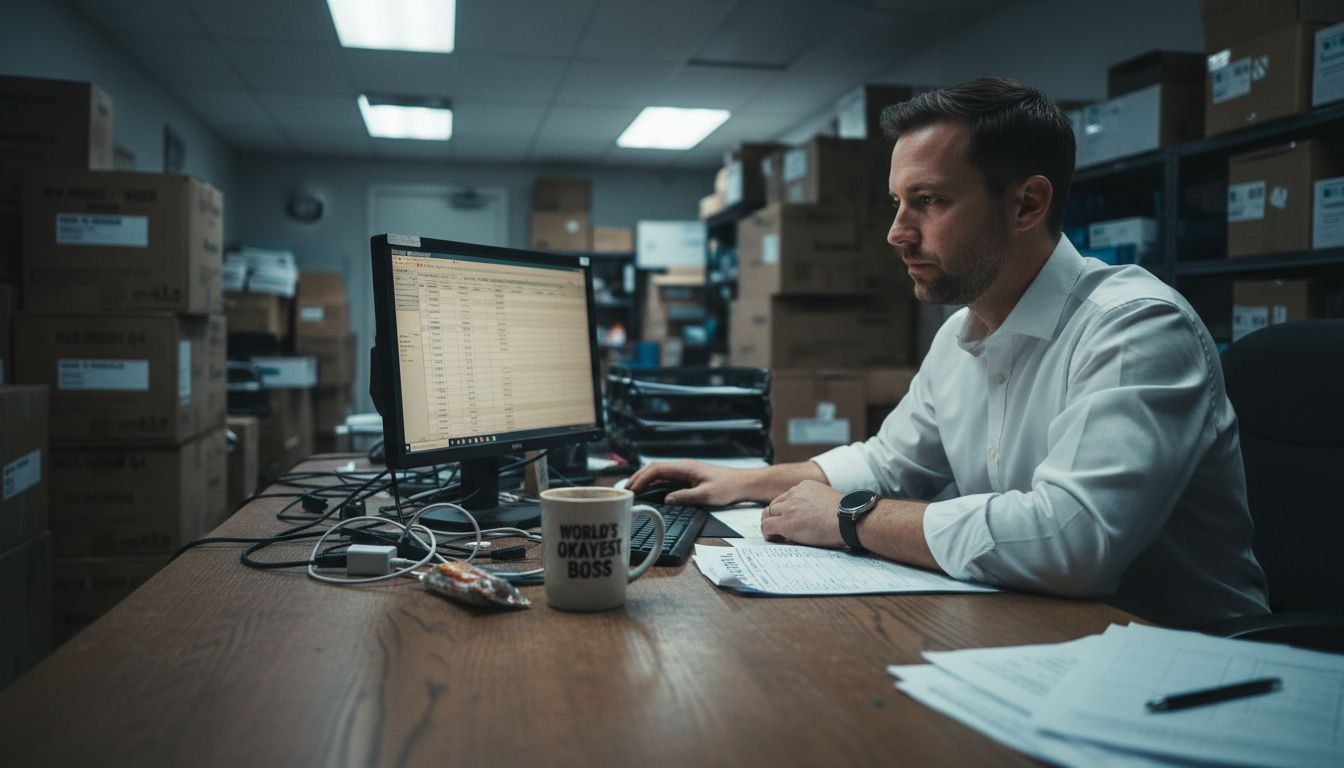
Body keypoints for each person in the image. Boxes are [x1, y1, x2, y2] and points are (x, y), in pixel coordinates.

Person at [629, 77, 1269, 627]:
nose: (896, 233)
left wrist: (851, 518)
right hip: (1036, 631)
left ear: (1026, 204)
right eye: (897, 203)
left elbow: (1073, 540)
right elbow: (888, 462)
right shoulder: (962, 332)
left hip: (1182, 658)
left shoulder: (1134, 327)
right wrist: (741, 482)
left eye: (928, 202)